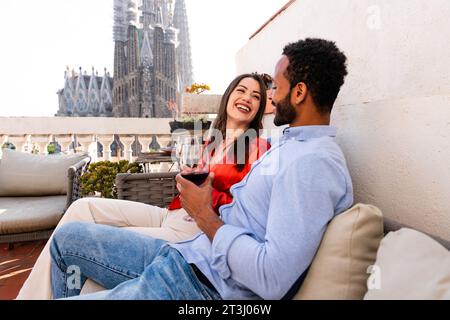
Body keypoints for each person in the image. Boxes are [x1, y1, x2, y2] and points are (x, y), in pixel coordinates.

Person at [49, 38, 353, 300]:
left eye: (275, 86)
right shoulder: (290, 145)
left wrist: (204, 214)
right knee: (67, 238)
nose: (270, 94)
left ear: (298, 93)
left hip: (197, 284)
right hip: (188, 255)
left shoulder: (311, 163)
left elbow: (272, 278)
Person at [17, 73, 270, 300]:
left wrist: (206, 197)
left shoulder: (257, 146)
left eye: (255, 96)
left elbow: (247, 204)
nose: (247, 97)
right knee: (83, 207)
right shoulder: (213, 140)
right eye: (241, 90)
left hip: (192, 232)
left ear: (259, 108)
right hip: (170, 214)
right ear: (228, 96)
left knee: (79, 242)